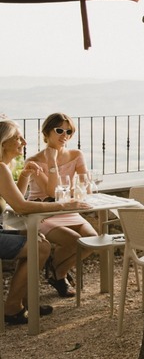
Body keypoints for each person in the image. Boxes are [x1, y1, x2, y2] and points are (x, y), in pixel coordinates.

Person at [0, 119, 90, 324]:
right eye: (17, 138)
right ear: (3, 143)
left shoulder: (3, 168)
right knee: (40, 248)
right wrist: (61, 206)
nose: (23, 141)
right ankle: (12, 307)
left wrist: (24, 175)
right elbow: (22, 207)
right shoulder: (1, 168)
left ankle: (25, 302)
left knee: (35, 239)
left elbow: (15, 202)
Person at [25, 113, 98, 298]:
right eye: (59, 130)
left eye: (69, 131)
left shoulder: (76, 154)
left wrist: (82, 189)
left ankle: (56, 270)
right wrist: (51, 161)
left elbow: (85, 184)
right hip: (43, 211)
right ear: (46, 132)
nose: (64, 135)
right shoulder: (33, 161)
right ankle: (61, 276)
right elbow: (52, 192)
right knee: (74, 241)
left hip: (68, 208)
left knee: (92, 240)